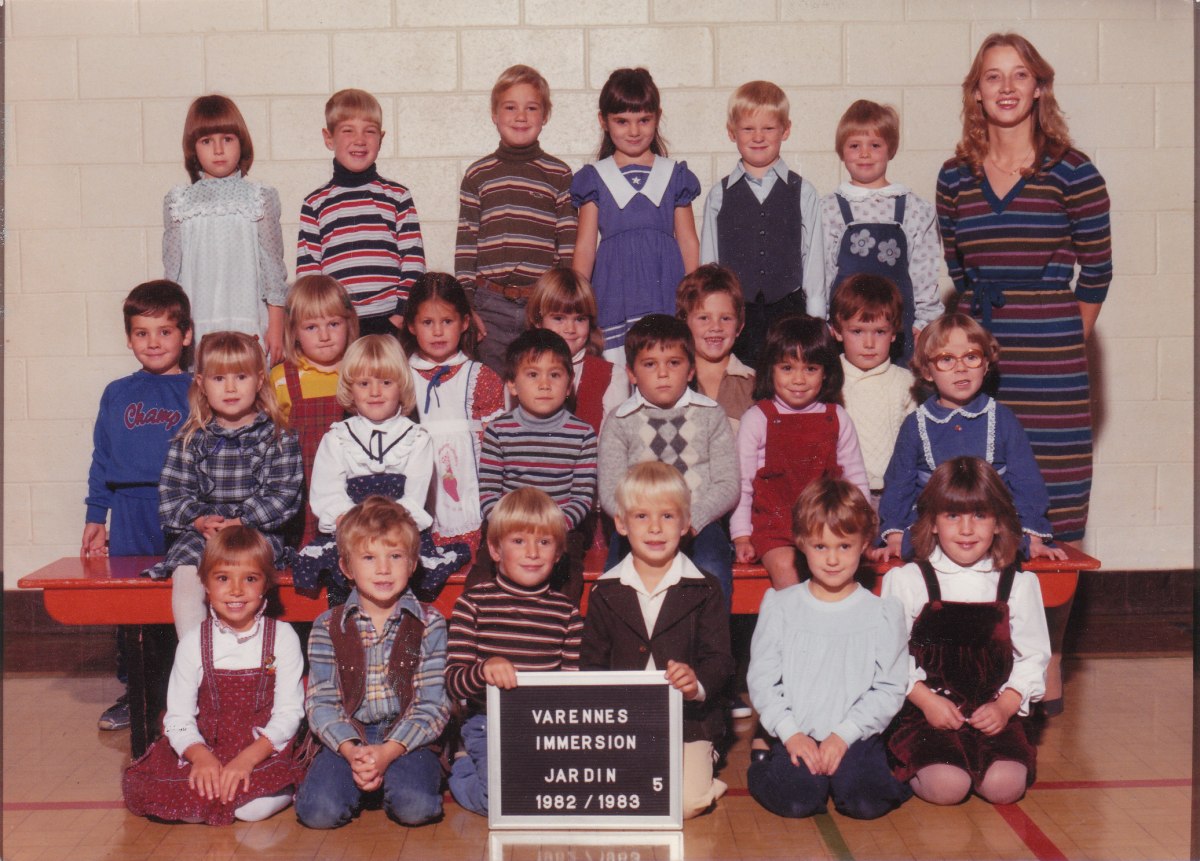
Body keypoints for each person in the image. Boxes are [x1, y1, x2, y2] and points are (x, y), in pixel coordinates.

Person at [938, 34, 1112, 713]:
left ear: (1040, 86)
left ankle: (1052, 656)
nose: (1006, 88)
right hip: (981, 361)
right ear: (976, 91)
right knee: (980, 502)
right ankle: (982, 657)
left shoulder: (1074, 171)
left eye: (1019, 75)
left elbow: (1096, 272)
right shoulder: (955, 177)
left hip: (1054, 361)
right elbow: (958, 270)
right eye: (993, 76)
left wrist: (1062, 337)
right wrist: (977, 351)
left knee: (1057, 510)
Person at [882, 456, 1051, 806]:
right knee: (948, 788)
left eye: (980, 516)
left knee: (1005, 788)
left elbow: (1034, 656)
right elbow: (888, 655)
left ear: (999, 523)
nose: (966, 529)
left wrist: (1006, 705)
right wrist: (926, 701)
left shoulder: (1018, 584)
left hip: (993, 712)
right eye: (952, 516)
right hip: (926, 713)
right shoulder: (908, 580)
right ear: (931, 523)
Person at [746, 478, 910, 820]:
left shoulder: (882, 612)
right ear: (801, 543)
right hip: (797, 730)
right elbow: (762, 681)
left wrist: (843, 736)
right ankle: (765, 759)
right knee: (798, 801)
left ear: (864, 544)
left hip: (854, 733)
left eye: (844, 546)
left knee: (864, 802)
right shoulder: (781, 606)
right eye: (821, 546)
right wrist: (790, 734)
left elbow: (889, 688)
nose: (833, 559)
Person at [582, 462, 734, 820]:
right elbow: (591, 664)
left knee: (684, 805)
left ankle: (705, 765)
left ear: (685, 523)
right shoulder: (604, 591)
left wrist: (695, 684)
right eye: (641, 516)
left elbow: (720, 661)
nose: (654, 527)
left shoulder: (706, 588)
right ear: (621, 524)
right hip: (623, 724)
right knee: (617, 797)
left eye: (667, 516)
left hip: (688, 722)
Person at [123, 527, 305, 825]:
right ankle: (212, 784)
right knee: (171, 794)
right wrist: (200, 757)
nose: (236, 590)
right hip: (208, 745)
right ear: (206, 585)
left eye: (250, 579)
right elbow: (178, 718)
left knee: (249, 809)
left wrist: (246, 760)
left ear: (266, 584)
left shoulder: (282, 637)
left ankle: (277, 787)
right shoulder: (193, 642)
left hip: (262, 750)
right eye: (223, 578)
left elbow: (288, 714)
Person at [295, 497, 449, 829]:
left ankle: (391, 780)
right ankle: (359, 781)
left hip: (407, 738)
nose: (383, 569)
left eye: (395, 556)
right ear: (346, 568)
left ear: (412, 564)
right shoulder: (328, 626)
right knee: (318, 813)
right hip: (350, 736)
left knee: (415, 808)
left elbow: (433, 704)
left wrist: (388, 752)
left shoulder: (429, 623)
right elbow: (322, 702)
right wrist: (352, 752)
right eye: (369, 557)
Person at [84, 280, 194, 731]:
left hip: (182, 509)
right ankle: (136, 692)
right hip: (129, 509)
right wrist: (96, 515)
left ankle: (188, 692)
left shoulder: (199, 388)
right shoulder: (116, 392)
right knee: (131, 605)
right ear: (129, 338)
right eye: (142, 333)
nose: (153, 342)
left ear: (186, 335)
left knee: (184, 600)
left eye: (165, 331)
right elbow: (102, 456)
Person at [872, 313, 1063, 564]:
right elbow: (899, 485)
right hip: (934, 526)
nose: (960, 368)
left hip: (991, 525)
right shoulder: (915, 424)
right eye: (946, 359)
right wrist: (895, 535)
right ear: (927, 371)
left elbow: (1027, 482)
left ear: (985, 364)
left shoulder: (1002, 418)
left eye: (971, 357)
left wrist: (1034, 537)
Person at [294, 335, 468, 606]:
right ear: (351, 388)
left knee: (408, 574)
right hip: (350, 533)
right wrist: (353, 525)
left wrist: (387, 530)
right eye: (364, 384)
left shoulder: (416, 438)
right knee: (339, 573)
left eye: (386, 383)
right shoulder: (338, 438)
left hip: (400, 533)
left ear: (401, 386)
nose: (375, 392)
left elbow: (414, 498)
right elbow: (327, 495)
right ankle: (345, 625)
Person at [151, 331, 303, 641]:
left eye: (241, 377)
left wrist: (242, 521)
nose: (230, 388)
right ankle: (197, 654)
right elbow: (172, 494)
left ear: (259, 380)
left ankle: (247, 649)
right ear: (201, 383)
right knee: (186, 571)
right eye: (219, 378)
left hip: (257, 533)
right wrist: (199, 520)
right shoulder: (190, 439)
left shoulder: (278, 437)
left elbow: (283, 495)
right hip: (205, 533)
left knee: (246, 573)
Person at [445, 488, 584, 816]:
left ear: (558, 552)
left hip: (546, 728)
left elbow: (573, 687)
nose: (532, 553)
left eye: (544, 542)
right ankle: (462, 766)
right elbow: (453, 681)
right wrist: (483, 670)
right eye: (519, 541)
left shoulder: (567, 613)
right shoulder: (472, 604)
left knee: (563, 795)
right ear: (495, 549)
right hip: (487, 723)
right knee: (503, 801)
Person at [597, 315, 738, 598]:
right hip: (638, 526)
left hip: (697, 523)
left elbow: (728, 483)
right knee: (616, 583)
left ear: (690, 370)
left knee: (712, 567)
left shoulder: (710, 414)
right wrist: (638, 520)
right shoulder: (620, 420)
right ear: (632, 373)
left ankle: (710, 629)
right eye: (650, 364)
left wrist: (692, 521)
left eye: (673, 363)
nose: (663, 373)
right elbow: (610, 490)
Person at [571, 67, 701, 363]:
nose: (634, 131)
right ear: (603, 121)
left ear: (658, 117)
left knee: (664, 362)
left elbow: (688, 241)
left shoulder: (674, 175)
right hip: (614, 290)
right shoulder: (595, 177)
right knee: (617, 370)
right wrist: (577, 302)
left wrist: (694, 298)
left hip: (664, 286)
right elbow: (585, 246)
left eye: (644, 120)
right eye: (622, 121)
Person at [731, 315, 869, 590]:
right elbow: (742, 484)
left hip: (828, 525)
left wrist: (863, 528)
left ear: (826, 372)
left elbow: (855, 479)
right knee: (787, 567)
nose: (798, 379)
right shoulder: (757, 419)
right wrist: (741, 536)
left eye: (810, 369)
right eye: (787, 368)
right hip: (775, 527)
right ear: (770, 369)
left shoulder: (837, 417)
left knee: (841, 570)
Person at [455, 64, 577, 373]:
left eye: (531, 108)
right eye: (510, 107)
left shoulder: (559, 174)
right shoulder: (478, 174)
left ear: (545, 116)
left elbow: (568, 245)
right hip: (490, 305)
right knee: (493, 386)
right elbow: (466, 243)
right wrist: (467, 304)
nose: (520, 116)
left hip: (541, 304)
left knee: (539, 380)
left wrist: (562, 302)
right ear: (494, 115)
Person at [700, 80, 825, 368]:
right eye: (748, 129)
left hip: (789, 310)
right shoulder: (719, 194)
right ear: (732, 132)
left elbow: (813, 259)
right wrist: (711, 315)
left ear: (786, 130)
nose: (758, 137)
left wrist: (816, 320)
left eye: (768, 128)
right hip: (737, 315)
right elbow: (709, 264)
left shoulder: (803, 191)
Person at [471, 329, 598, 604]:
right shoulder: (498, 431)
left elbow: (582, 498)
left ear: (568, 385)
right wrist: (511, 529)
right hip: (507, 529)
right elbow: (489, 494)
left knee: (565, 588)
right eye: (532, 375)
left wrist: (552, 529)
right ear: (512, 384)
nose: (544, 384)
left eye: (555, 375)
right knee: (479, 585)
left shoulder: (583, 434)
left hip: (561, 531)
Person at [164, 95, 289, 361]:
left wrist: (276, 328)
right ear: (193, 148)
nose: (218, 150)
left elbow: (273, 267)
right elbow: (172, 274)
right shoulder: (179, 201)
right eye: (206, 141)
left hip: (247, 314)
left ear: (241, 143)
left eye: (227, 139)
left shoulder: (260, 197)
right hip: (197, 317)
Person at [820, 100, 942, 363]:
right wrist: (824, 321)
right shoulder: (828, 209)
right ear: (841, 151)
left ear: (891, 149)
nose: (864, 154)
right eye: (854, 146)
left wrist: (925, 322)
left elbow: (925, 273)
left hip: (899, 328)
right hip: (845, 329)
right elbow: (822, 273)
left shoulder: (915, 209)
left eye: (875, 145)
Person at [296, 88, 424, 336]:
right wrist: (321, 322)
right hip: (338, 324)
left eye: (369, 131)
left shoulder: (397, 196)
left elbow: (413, 260)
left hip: (390, 320)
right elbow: (309, 274)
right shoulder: (314, 203)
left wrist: (400, 316)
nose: (360, 140)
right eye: (348, 130)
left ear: (381, 139)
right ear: (329, 138)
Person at [403, 273, 506, 574]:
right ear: (412, 326)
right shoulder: (400, 377)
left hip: (469, 495)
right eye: (427, 322)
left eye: (447, 321)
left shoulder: (481, 377)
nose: (438, 332)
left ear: (464, 323)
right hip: (420, 495)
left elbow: (498, 445)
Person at [270, 274, 359, 546]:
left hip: (352, 484)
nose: (324, 336)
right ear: (294, 331)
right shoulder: (281, 378)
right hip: (302, 488)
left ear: (348, 323)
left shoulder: (359, 370)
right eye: (311, 327)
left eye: (333, 324)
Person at [829, 274, 916, 510]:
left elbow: (914, 448)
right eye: (857, 331)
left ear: (894, 332)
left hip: (892, 495)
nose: (869, 343)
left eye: (879, 332)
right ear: (837, 331)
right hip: (840, 495)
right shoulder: (829, 379)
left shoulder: (906, 383)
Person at [524, 267, 629, 435]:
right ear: (538, 321)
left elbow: (613, 442)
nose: (570, 329)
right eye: (559, 318)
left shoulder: (612, 375)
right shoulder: (522, 371)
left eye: (580, 319)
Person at [676, 263, 755, 435]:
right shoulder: (672, 380)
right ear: (684, 323)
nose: (716, 327)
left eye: (726, 318)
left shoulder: (754, 385)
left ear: (739, 327)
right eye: (704, 318)